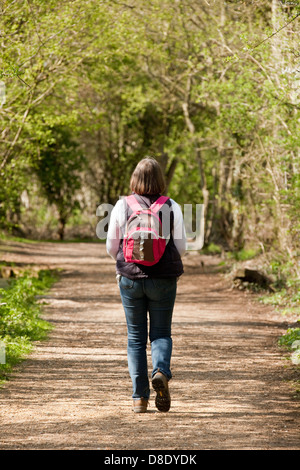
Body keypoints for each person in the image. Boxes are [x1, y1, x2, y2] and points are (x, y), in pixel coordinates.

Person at [106, 157, 186, 413]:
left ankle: (139, 398)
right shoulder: (172, 206)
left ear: (135, 179)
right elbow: (181, 247)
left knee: (136, 338)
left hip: (130, 279)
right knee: (161, 333)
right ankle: (161, 371)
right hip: (163, 280)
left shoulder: (122, 205)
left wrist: (125, 262)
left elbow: (111, 246)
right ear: (160, 180)